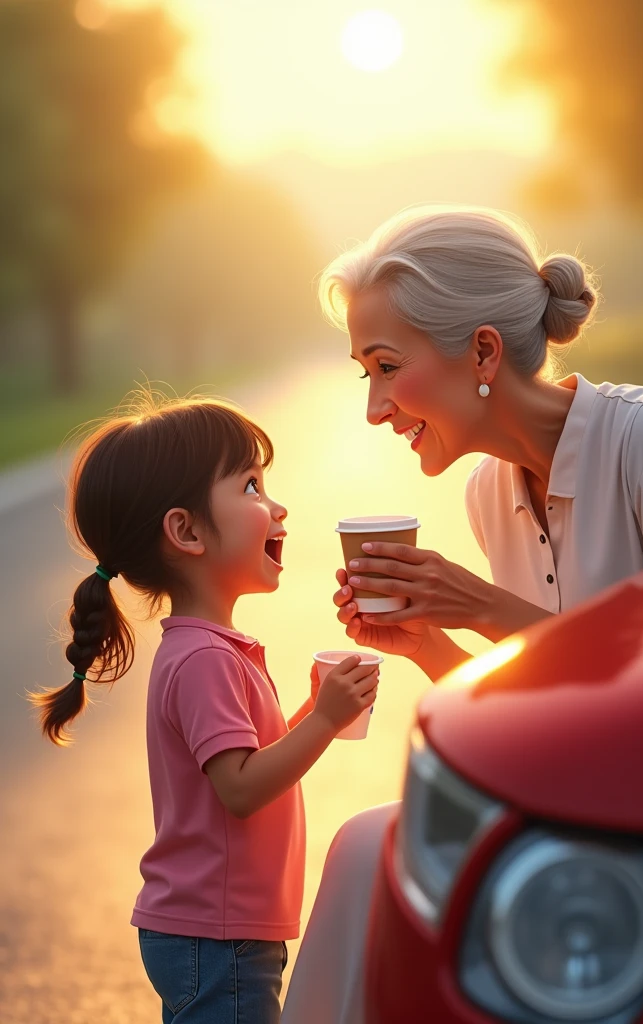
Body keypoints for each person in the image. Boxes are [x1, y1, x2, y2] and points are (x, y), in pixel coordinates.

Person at [281, 205, 643, 1023]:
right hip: (571, 808)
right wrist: (428, 641)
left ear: (484, 352)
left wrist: (483, 606)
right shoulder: (488, 492)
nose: (375, 407)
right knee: (366, 845)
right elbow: (543, 724)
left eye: (388, 366)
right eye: (367, 373)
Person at [29, 395, 380, 1024]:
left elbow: (245, 768)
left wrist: (309, 713)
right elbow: (240, 789)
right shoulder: (204, 661)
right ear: (186, 532)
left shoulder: (210, 650)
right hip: (217, 934)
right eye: (249, 485)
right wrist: (325, 721)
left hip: (221, 926)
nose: (277, 506)